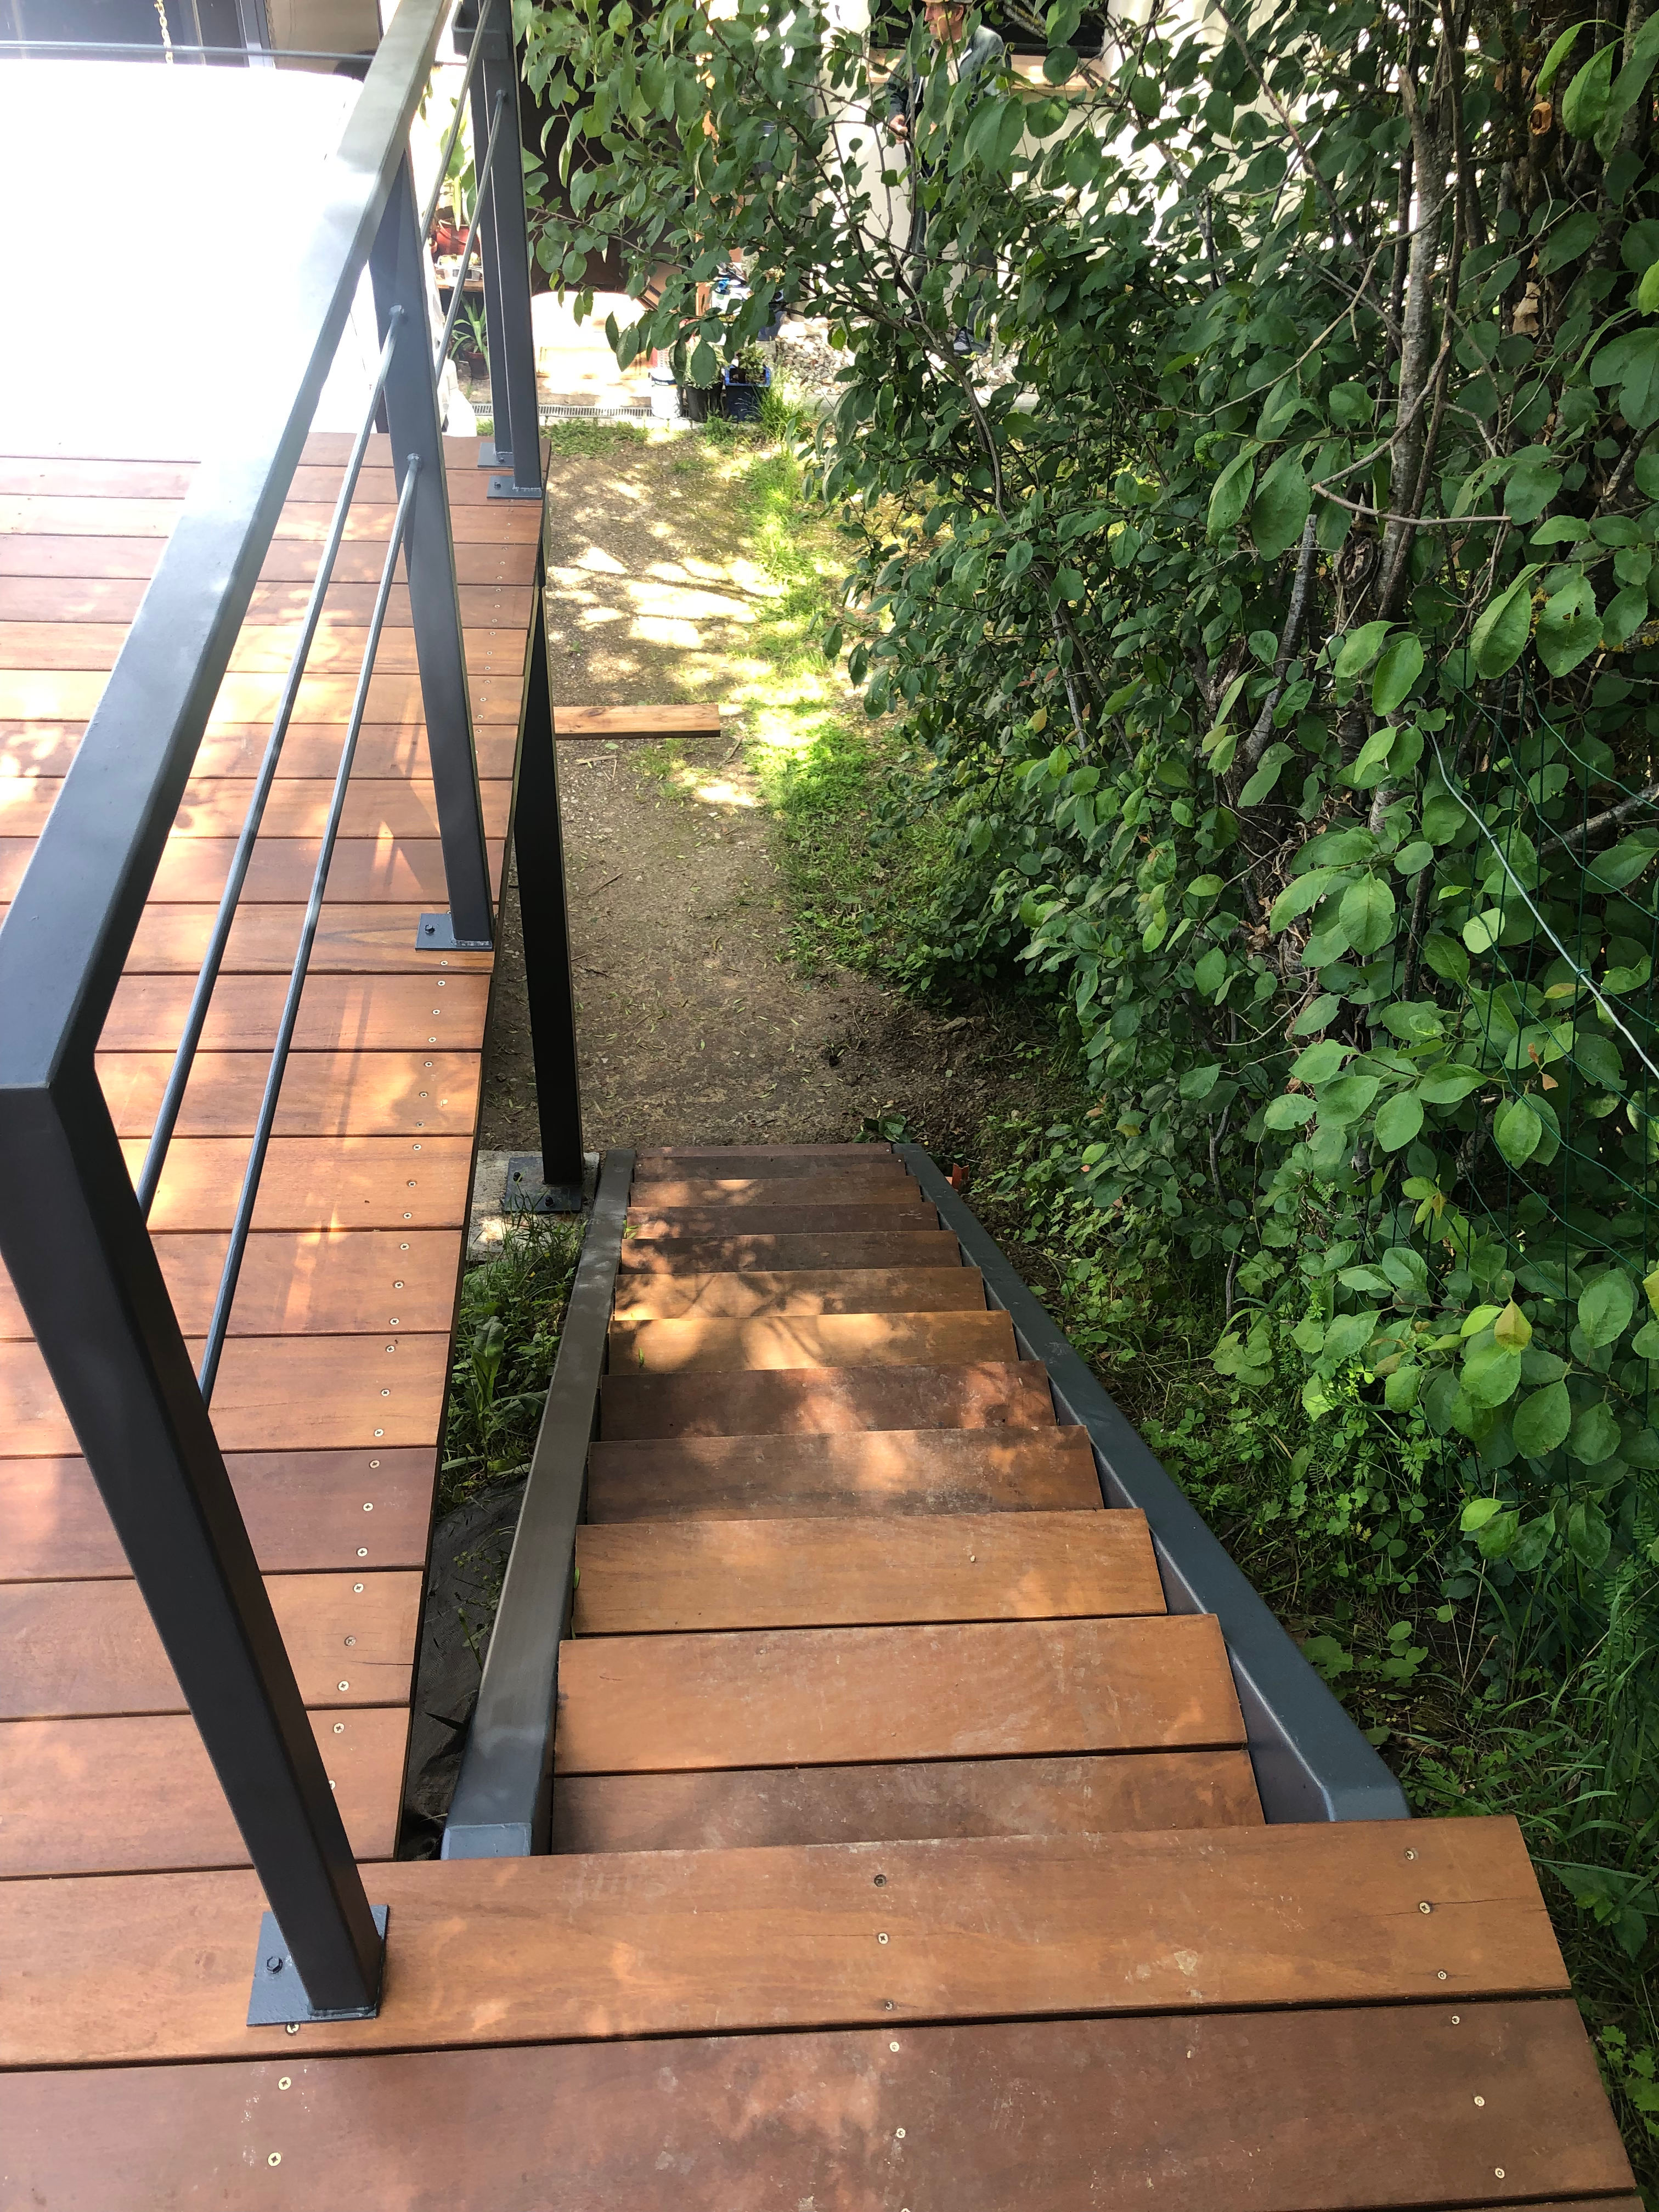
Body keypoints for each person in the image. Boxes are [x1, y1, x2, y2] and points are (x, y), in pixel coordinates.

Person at [883, 3, 1007, 352]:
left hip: (972, 167)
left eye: (933, 8)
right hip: (927, 165)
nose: (925, 17)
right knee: (924, 243)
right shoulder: (923, 43)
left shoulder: (988, 45)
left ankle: (975, 334)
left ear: (957, 12)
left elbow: (995, 105)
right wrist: (896, 117)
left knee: (979, 248)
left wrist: (948, 124)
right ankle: (920, 320)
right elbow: (894, 90)